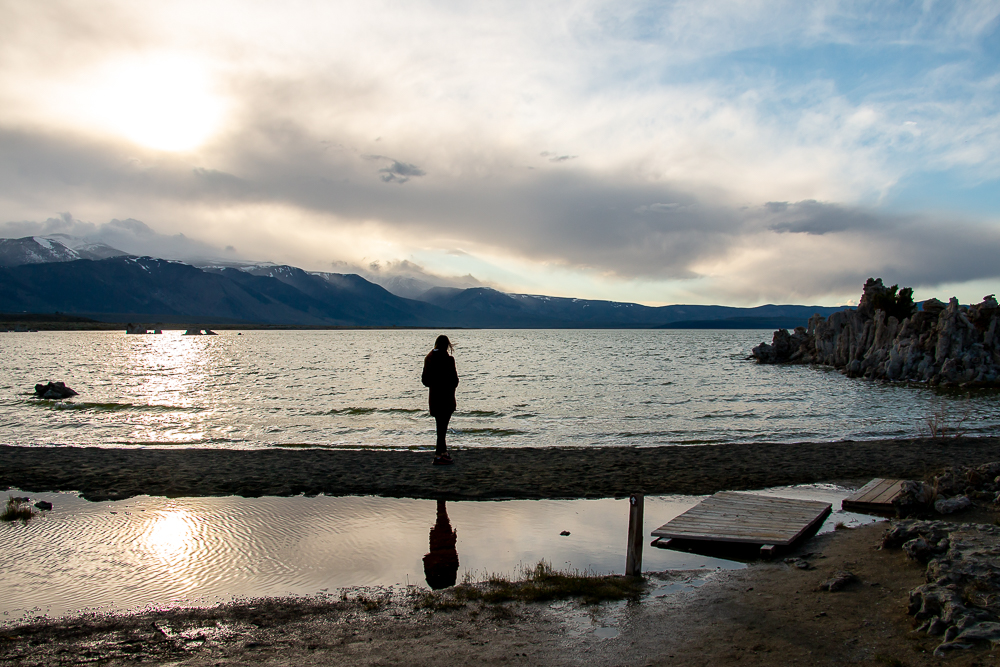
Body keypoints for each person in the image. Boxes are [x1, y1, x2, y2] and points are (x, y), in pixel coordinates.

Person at [421, 334, 459, 465]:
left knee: (440, 427)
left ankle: (442, 453)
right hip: (447, 398)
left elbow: (425, 381)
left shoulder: (429, 358)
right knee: (442, 428)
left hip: (435, 398)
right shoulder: (449, 360)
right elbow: (455, 381)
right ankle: (439, 454)